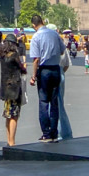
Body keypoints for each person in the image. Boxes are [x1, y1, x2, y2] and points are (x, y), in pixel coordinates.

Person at [28, 14, 64, 143]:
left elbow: (36, 59)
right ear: (42, 21)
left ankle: (46, 133)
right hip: (55, 69)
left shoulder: (36, 37)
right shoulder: (54, 34)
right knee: (54, 102)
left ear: (34, 25)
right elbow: (62, 51)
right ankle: (54, 132)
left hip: (44, 71)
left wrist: (33, 76)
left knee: (43, 101)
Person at [0, 32, 27, 147]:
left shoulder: (2, 55)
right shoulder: (14, 55)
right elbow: (22, 69)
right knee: (14, 116)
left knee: (8, 115)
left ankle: (8, 140)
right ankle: (12, 142)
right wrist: (24, 67)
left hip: (5, 88)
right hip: (14, 89)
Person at [48, 24, 73, 141]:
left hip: (52, 72)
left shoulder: (50, 45)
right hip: (61, 72)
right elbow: (67, 64)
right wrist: (61, 72)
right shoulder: (62, 44)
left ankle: (57, 132)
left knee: (53, 105)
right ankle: (66, 132)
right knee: (60, 103)